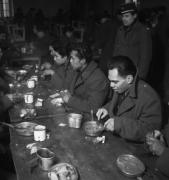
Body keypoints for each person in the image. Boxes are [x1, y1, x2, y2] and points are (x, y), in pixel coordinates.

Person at [96, 56, 161, 142]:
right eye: (110, 81)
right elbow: (121, 103)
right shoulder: (122, 86)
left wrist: (119, 124)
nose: (111, 85)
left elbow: (151, 131)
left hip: (135, 147)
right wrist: (107, 108)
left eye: (115, 82)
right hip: (119, 139)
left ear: (129, 79)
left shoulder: (149, 97)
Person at [55, 43, 109, 115]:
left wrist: (70, 100)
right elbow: (67, 87)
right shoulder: (78, 70)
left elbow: (94, 107)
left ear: (83, 61)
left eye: (73, 58)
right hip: (75, 111)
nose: (70, 61)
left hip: (88, 117)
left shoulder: (98, 78)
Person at [113, 3, 152, 80]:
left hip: (133, 73)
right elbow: (116, 50)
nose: (124, 19)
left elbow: (145, 56)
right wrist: (113, 67)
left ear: (135, 16)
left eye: (127, 16)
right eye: (123, 16)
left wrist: (140, 76)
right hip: (120, 71)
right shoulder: (120, 30)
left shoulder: (142, 31)